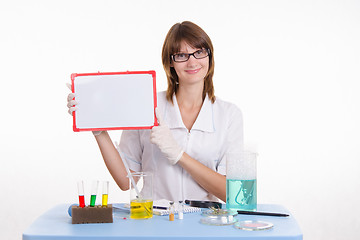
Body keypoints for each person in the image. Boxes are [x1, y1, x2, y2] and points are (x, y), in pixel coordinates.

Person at [67, 21, 243, 202]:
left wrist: (178, 155)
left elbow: (231, 193)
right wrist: (99, 130)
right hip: (154, 220)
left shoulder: (229, 115)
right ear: (170, 62)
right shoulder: (146, 105)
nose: (192, 62)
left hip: (204, 223)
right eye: (181, 55)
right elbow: (126, 181)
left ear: (209, 56)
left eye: (199, 52)